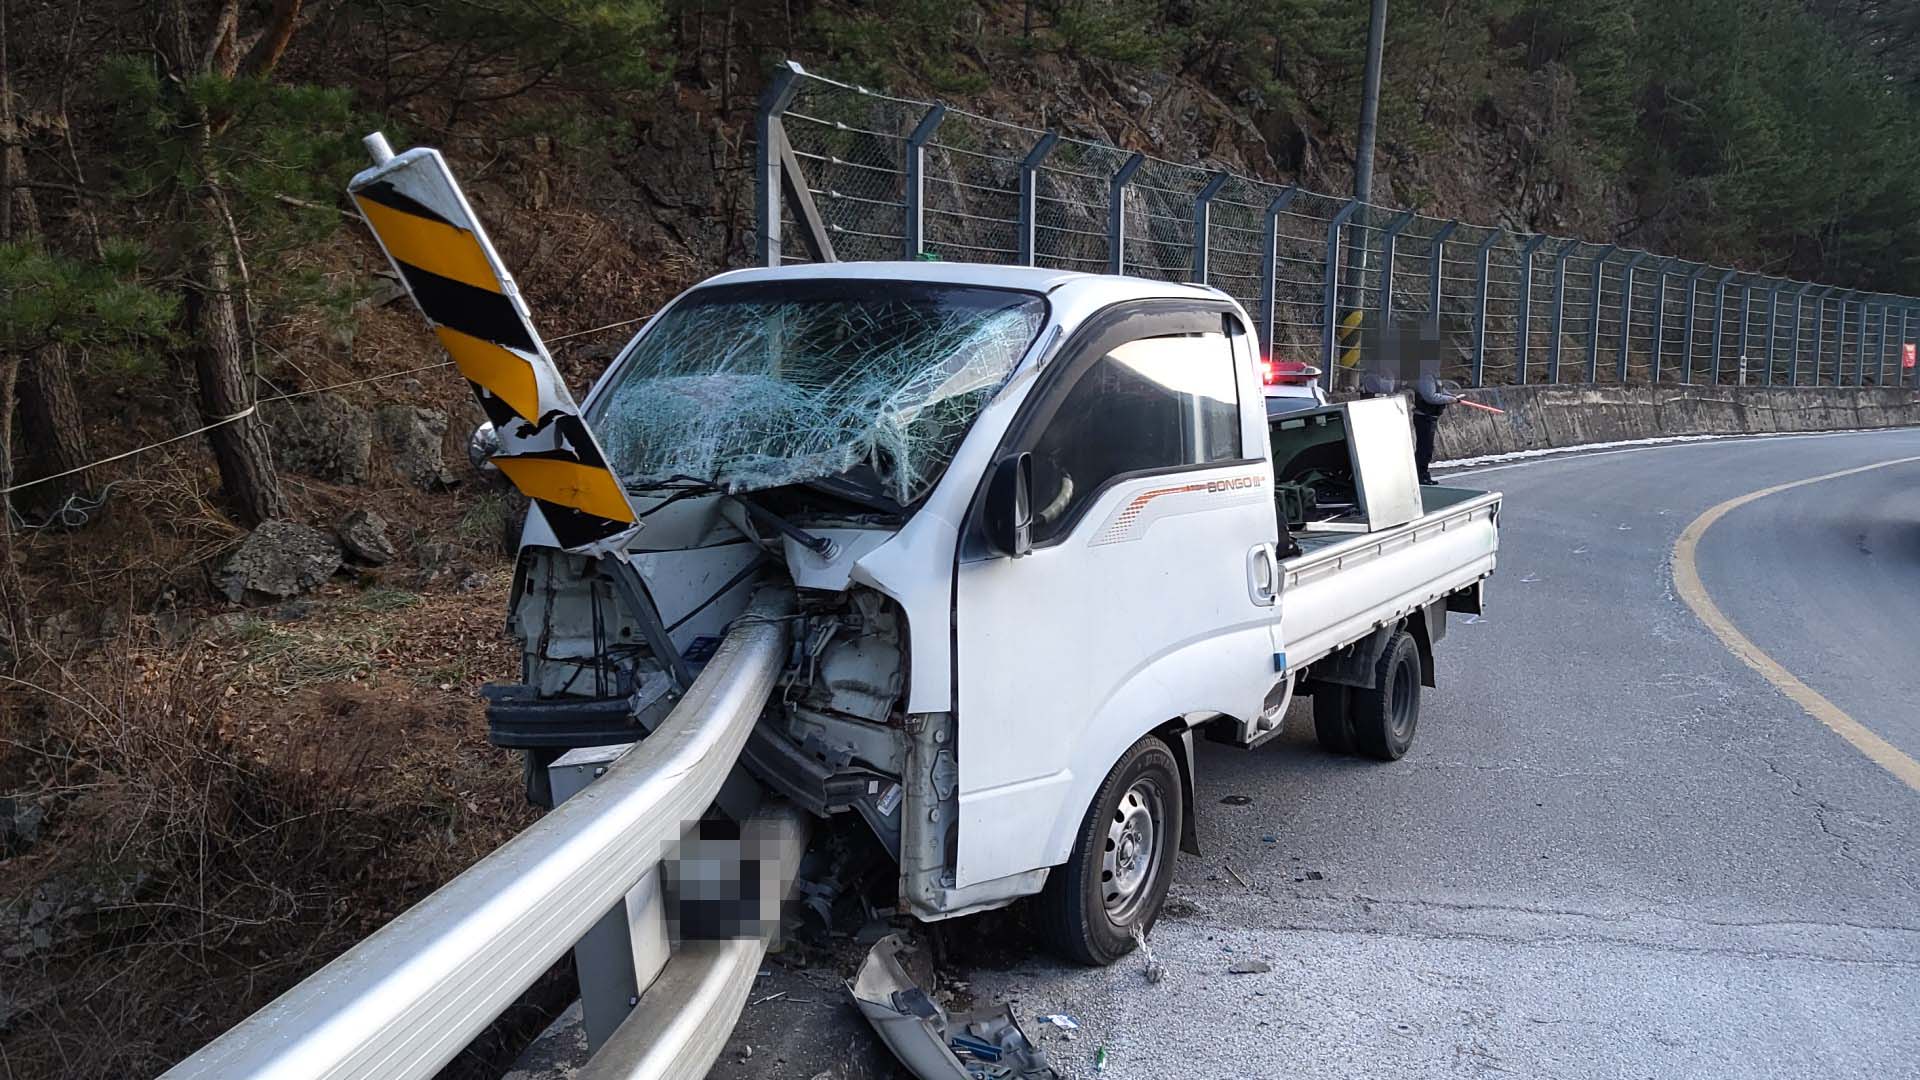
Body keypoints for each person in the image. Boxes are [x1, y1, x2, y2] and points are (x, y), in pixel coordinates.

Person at [1410, 370, 1458, 485]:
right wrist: (1450, 399)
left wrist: (1452, 397)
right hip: (1424, 417)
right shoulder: (1426, 377)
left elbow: (1440, 391)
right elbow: (1430, 397)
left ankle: (1423, 474)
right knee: (1424, 448)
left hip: (1430, 417)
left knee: (1427, 448)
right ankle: (1420, 475)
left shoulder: (1434, 377)